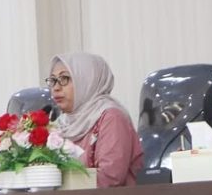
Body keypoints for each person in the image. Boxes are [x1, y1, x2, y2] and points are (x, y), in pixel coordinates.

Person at [47, 53, 142, 187]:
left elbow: (110, 178)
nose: (56, 87)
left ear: (87, 81)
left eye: (65, 78)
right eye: (53, 80)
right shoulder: (61, 124)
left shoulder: (111, 118)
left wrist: (57, 185)